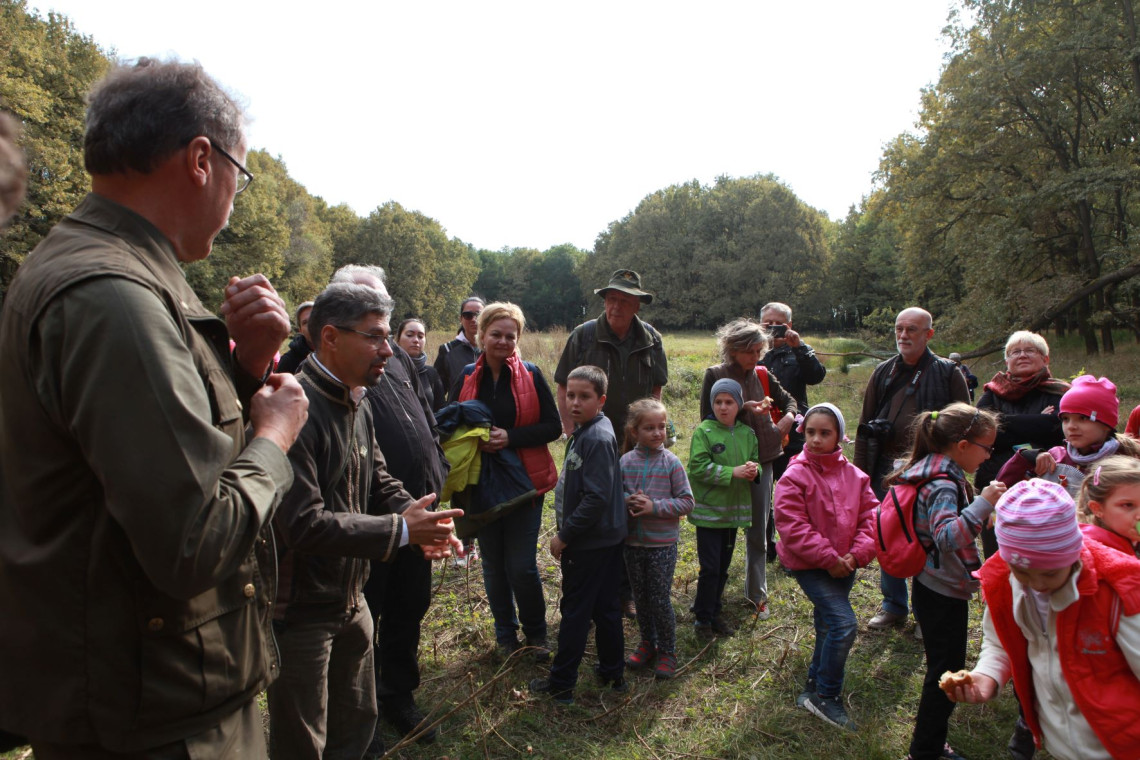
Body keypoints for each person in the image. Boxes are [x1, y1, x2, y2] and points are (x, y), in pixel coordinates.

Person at [0, 59, 310, 757]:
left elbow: (138, 459)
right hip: (157, 719)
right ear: (201, 160)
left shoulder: (92, 267)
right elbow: (193, 542)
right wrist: (275, 436)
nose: (235, 200)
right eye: (240, 174)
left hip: (148, 695)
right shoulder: (114, 296)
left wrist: (247, 369)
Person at [268, 283, 461, 760]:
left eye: (388, 337)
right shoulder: (293, 407)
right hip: (302, 613)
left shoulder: (358, 399)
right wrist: (401, 531)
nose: (388, 350)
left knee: (355, 729)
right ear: (330, 337)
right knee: (302, 743)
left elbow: (378, 479)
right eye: (374, 337)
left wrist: (421, 518)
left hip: (353, 600)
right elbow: (303, 525)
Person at [327, 265, 451, 751]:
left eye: (385, 311)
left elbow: (423, 411)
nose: (382, 329)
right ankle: (363, 715)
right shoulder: (329, 368)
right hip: (369, 520)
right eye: (369, 314)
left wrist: (436, 460)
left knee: (408, 607)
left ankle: (399, 695)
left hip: (413, 509)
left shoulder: (396, 357)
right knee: (366, 616)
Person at [948, 479, 1140, 760]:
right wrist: (988, 675)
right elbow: (999, 642)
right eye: (1023, 573)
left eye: (1050, 573)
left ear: (1073, 553)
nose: (1037, 585)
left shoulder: (1118, 593)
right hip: (1060, 745)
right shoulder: (1005, 582)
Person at [886, 403, 1005, 760]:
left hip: (933, 582)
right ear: (963, 445)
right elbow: (947, 536)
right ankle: (926, 750)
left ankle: (931, 744)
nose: (988, 455)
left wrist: (978, 509)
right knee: (945, 670)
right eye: (987, 448)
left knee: (944, 664)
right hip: (942, 588)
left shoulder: (936, 471)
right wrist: (983, 504)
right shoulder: (942, 483)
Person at [555, 269, 669, 618]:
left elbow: (656, 388)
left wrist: (649, 432)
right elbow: (563, 386)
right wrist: (571, 431)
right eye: (611, 299)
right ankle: (584, 589)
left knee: (630, 512)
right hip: (592, 440)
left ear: (637, 305)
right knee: (588, 508)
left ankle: (624, 591)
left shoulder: (651, 338)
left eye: (624, 300)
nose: (616, 306)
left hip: (635, 444)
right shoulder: (584, 335)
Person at [453, 302, 561, 658]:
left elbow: (553, 427)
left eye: (510, 336)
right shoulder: (467, 375)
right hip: (482, 484)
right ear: (481, 335)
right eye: (496, 334)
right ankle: (505, 636)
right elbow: (449, 422)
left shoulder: (531, 374)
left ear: (518, 338)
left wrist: (509, 437)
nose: (502, 341)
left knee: (521, 566)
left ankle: (537, 634)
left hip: (525, 485)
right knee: (493, 566)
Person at [854, 306, 971, 632]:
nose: (903, 335)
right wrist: (860, 475)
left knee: (929, 540)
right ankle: (893, 606)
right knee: (888, 534)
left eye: (912, 330)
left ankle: (924, 613)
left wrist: (956, 469)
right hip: (886, 468)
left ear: (928, 334)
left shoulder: (947, 373)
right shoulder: (883, 372)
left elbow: (965, 424)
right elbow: (864, 424)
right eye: (899, 329)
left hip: (932, 471)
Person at [774, 403, 877, 732]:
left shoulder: (856, 476)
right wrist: (830, 559)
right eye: (811, 432)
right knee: (844, 624)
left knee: (827, 624)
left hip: (846, 565)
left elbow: (871, 519)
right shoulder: (794, 475)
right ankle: (826, 696)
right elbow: (792, 526)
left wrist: (856, 556)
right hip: (811, 566)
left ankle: (812, 686)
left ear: (839, 436)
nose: (816, 439)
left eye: (825, 433)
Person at [530, 366, 628, 704]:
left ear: (601, 400)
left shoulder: (596, 438)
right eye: (570, 395)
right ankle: (613, 673)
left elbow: (596, 498)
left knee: (575, 611)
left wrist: (565, 535)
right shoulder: (588, 430)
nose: (574, 402)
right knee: (605, 606)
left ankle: (561, 684)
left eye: (584, 396)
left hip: (589, 543)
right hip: (604, 539)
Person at [701, 319, 796, 619]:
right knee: (723, 532)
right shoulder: (715, 375)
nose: (755, 357)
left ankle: (757, 595)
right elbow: (707, 420)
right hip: (728, 464)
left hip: (763, 460)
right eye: (749, 352)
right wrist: (743, 408)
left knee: (758, 531)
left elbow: (789, 400)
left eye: (759, 351)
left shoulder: (762, 374)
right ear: (732, 349)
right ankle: (711, 595)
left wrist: (788, 418)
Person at [975, 331, 1069, 558]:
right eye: (1015, 352)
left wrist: (1003, 424)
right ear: (1007, 361)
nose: (1022, 355)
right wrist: (1038, 420)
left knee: (1043, 554)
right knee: (997, 556)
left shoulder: (1061, 392)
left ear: (1045, 359)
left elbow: (1056, 429)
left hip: (1046, 485)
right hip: (996, 483)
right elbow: (981, 430)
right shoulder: (993, 393)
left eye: (1030, 350)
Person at [619, 398, 695, 680]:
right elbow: (614, 495)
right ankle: (647, 643)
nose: (657, 433)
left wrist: (654, 507)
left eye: (661, 427)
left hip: (662, 545)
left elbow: (687, 502)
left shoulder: (671, 462)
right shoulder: (625, 462)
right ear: (634, 431)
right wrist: (627, 500)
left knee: (660, 599)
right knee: (640, 598)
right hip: (632, 544)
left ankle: (668, 651)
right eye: (649, 428)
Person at [688, 378, 761, 637]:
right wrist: (732, 472)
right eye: (718, 402)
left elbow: (755, 462)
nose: (723, 407)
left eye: (729, 402)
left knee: (722, 568)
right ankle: (702, 619)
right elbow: (697, 467)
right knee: (710, 568)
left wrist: (754, 470)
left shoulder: (747, 434)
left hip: (732, 515)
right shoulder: (704, 432)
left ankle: (713, 610)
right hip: (709, 513)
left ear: (739, 404)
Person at [759, 302, 827, 561]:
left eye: (779, 324)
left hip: (795, 431)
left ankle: (795, 548)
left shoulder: (798, 350)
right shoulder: (755, 350)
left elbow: (816, 376)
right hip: (762, 431)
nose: (773, 328)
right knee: (764, 492)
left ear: (789, 325)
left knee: (795, 493)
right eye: (768, 323)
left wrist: (799, 347)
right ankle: (768, 546)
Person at [995, 374, 1140, 491]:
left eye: (1082, 418)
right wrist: (1025, 458)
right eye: (1065, 419)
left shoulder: (1128, 462)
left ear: (1106, 425)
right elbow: (1001, 489)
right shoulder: (1055, 458)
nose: (1071, 426)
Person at [435, 296, 484, 402]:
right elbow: (437, 391)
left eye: (479, 315)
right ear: (461, 319)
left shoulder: (494, 349)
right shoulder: (447, 350)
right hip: (458, 411)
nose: (474, 319)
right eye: (468, 315)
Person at [396, 316, 446, 412]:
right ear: (398, 339)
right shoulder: (386, 370)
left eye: (420, 336)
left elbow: (441, 411)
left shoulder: (431, 373)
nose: (416, 340)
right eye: (409, 335)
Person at [276, 299, 315, 374]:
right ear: (300, 330)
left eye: (314, 319)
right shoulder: (288, 361)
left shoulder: (334, 353)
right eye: (305, 322)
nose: (311, 325)